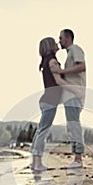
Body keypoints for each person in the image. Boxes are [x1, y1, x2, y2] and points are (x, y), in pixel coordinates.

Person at [30, 37, 83, 171]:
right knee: (43, 130)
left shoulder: (46, 61)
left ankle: (34, 162)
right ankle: (37, 163)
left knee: (41, 130)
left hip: (47, 100)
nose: (57, 43)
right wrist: (76, 90)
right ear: (50, 46)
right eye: (54, 42)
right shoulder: (52, 61)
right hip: (50, 101)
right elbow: (59, 81)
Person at [50, 29, 86, 169]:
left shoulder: (75, 49)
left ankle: (78, 159)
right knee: (72, 124)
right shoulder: (69, 54)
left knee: (73, 124)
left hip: (74, 93)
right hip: (71, 94)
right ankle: (77, 158)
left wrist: (61, 71)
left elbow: (82, 66)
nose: (59, 41)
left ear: (68, 38)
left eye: (61, 38)